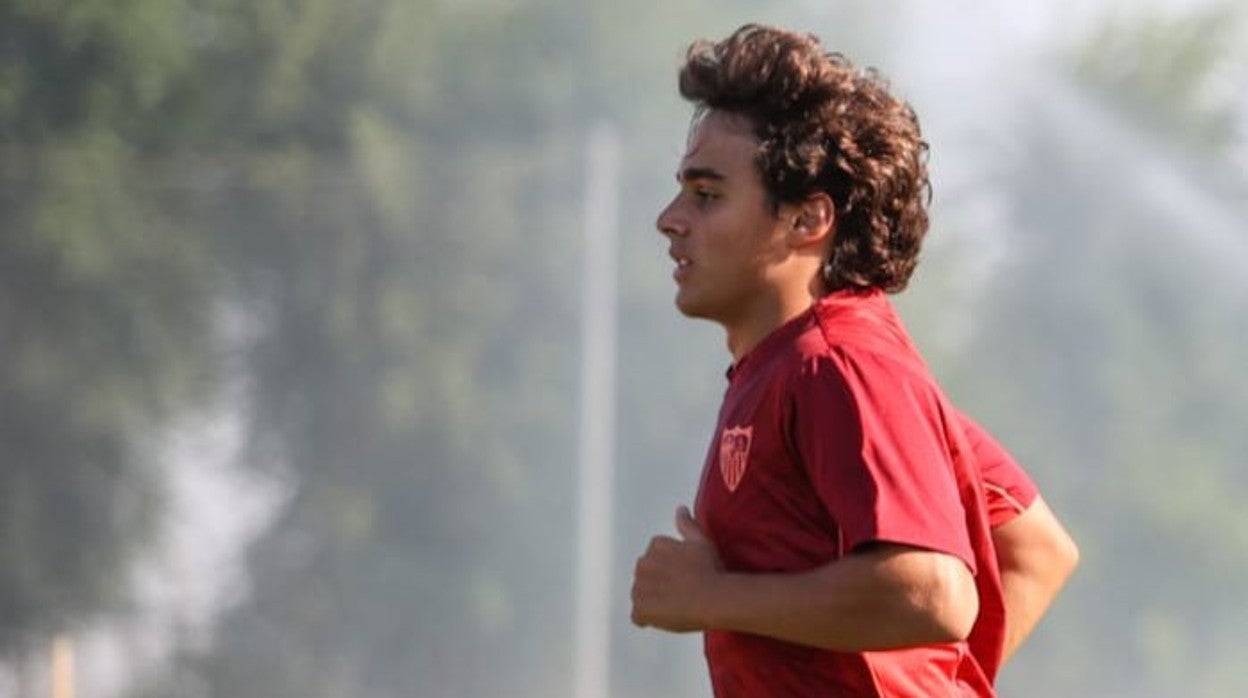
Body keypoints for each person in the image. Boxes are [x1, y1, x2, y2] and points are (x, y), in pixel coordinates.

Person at [629, 24, 1079, 697]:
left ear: (808, 220)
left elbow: (932, 595)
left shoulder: (839, 364)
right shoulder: (819, 365)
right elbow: (1033, 547)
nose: (670, 219)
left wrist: (711, 596)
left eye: (707, 194)